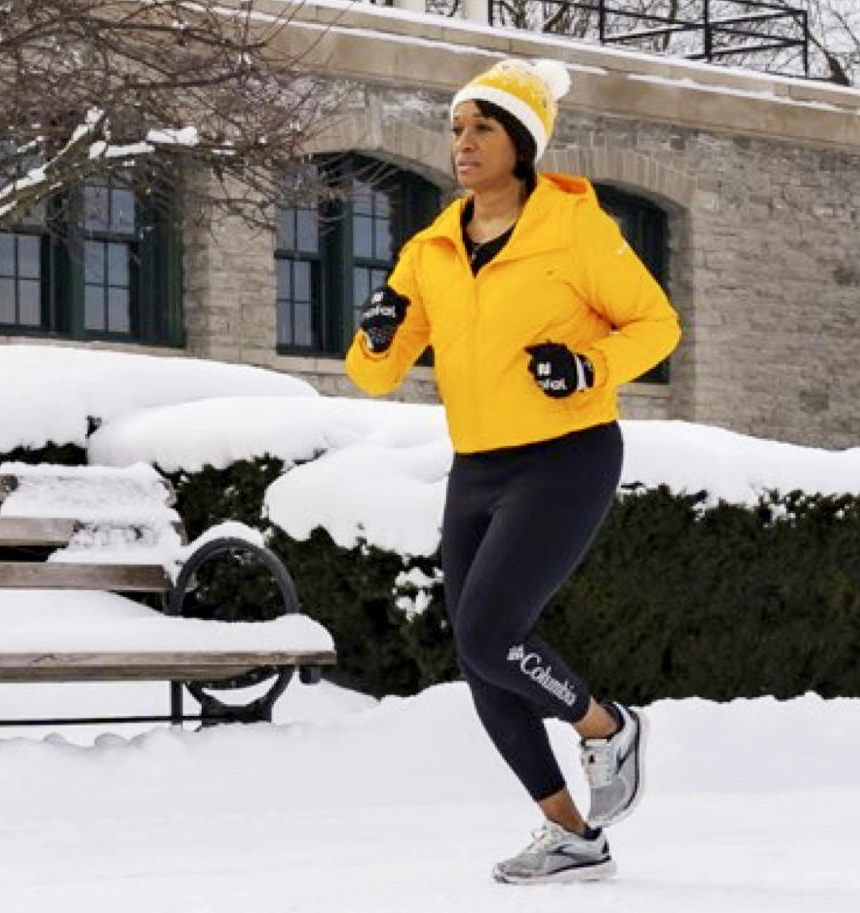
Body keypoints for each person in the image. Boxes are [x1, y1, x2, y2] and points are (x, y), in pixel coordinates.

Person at [345, 58, 680, 884]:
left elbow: (656, 323)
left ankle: (603, 724)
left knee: (494, 631)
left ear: (522, 141)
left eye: (482, 127)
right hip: (479, 465)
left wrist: (586, 366)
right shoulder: (430, 249)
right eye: (457, 128)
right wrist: (378, 331)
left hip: (567, 454)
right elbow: (375, 375)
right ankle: (572, 834)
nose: (463, 143)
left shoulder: (575, 227)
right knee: (478, 651)